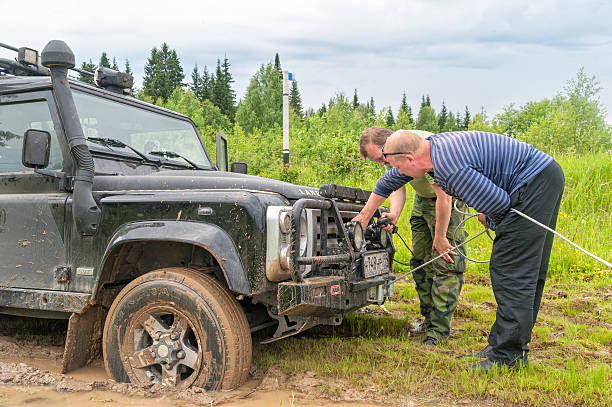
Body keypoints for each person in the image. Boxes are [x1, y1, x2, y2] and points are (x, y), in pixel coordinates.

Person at [381, 129, 565, 371]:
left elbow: (499, 205)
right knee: (524, 271)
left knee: (513, 271)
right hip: (541, 176)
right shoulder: (435, 150)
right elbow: (390, 182)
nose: (401, 174)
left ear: (410, 159)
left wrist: (490, 220)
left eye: (399, 167)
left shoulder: (448, 167)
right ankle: (504, 345)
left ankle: (508, 357)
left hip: (532, 184)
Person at [352, 127, 467, 346]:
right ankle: (429, 318)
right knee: (420, 261)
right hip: (424, 200)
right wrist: (394, 213)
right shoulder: (394, 157)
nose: (382, 165)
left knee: (445, 262)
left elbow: (445, 197)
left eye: (381, 159)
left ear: (392, 147)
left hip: (448, 199)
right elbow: (397, 184)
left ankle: (439, 331)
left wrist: (441, 235)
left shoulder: (422, 146)